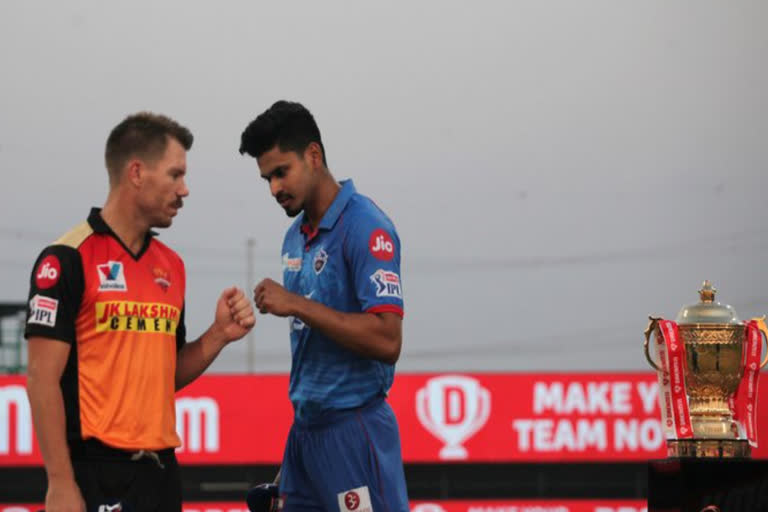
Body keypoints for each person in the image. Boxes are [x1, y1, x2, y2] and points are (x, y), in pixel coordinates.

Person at [25, 112, 256, 512]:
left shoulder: (172, 265)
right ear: (136, 173)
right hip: (94, 472)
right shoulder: (66, 258)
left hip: (161, 474)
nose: (185, 190)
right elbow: (41, 381)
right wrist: (60, 483)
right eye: (175, 175)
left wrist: (218, 334)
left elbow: (165, 375)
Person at [239, 101, 409, 512]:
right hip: (304, 436)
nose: (274, 188)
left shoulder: (366, 225)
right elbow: (314, 364)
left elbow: (388, 340)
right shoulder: (294, 237)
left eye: (281, 172)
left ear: (313, 156)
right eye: (267, 178)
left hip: (355, 431)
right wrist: (289, 465)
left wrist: (295, 304)